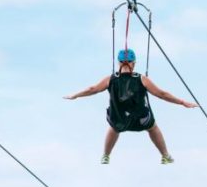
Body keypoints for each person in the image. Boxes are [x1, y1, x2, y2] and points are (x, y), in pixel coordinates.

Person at [64, 48, 198, 164]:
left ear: (118, 63)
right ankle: (165, 155)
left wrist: (76, 95)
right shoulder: (141, 79)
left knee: (114, 128)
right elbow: (162, 94)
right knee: (153, 128)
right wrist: (182, 102)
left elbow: (92, 89)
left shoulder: (110, 79)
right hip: (141, 119)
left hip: (119, 120)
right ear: (133, 63)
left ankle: (106, 155)